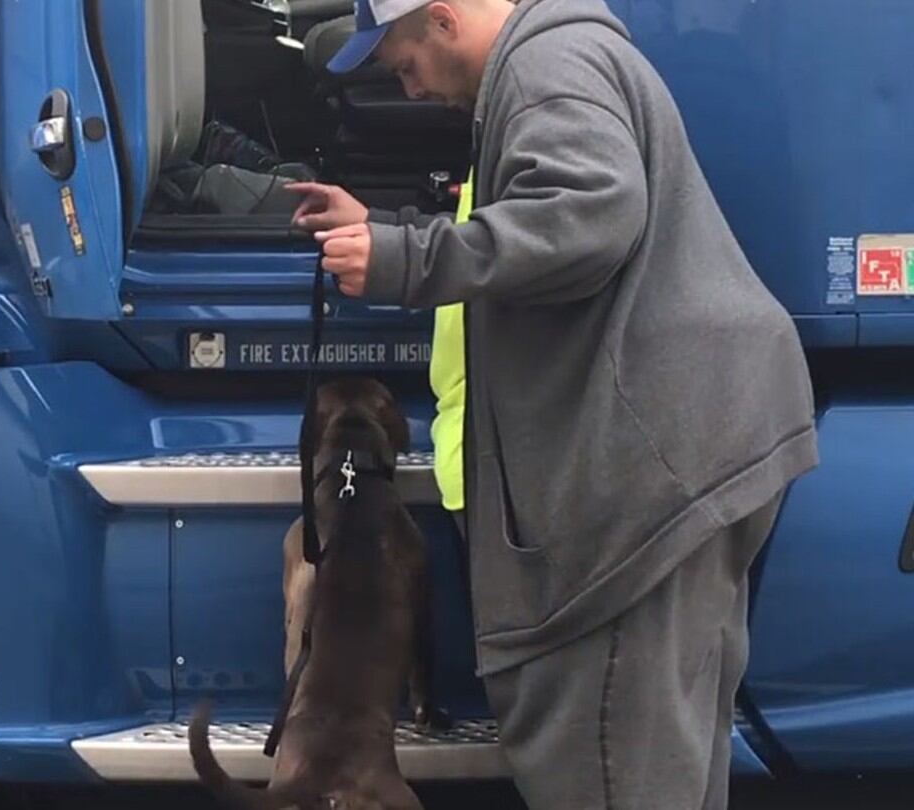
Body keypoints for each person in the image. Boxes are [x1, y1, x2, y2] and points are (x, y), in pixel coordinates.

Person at [286, 1, 819, 808]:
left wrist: (407, 257)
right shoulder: (558, 59)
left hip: (640, 488)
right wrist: (384, 225)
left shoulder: (542, 70)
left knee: (606, 770)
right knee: (664, 776)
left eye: (403, 66)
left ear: (441, 20)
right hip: (687, 459)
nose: (413, 90)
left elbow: (589, 216)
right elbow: (551, 218)